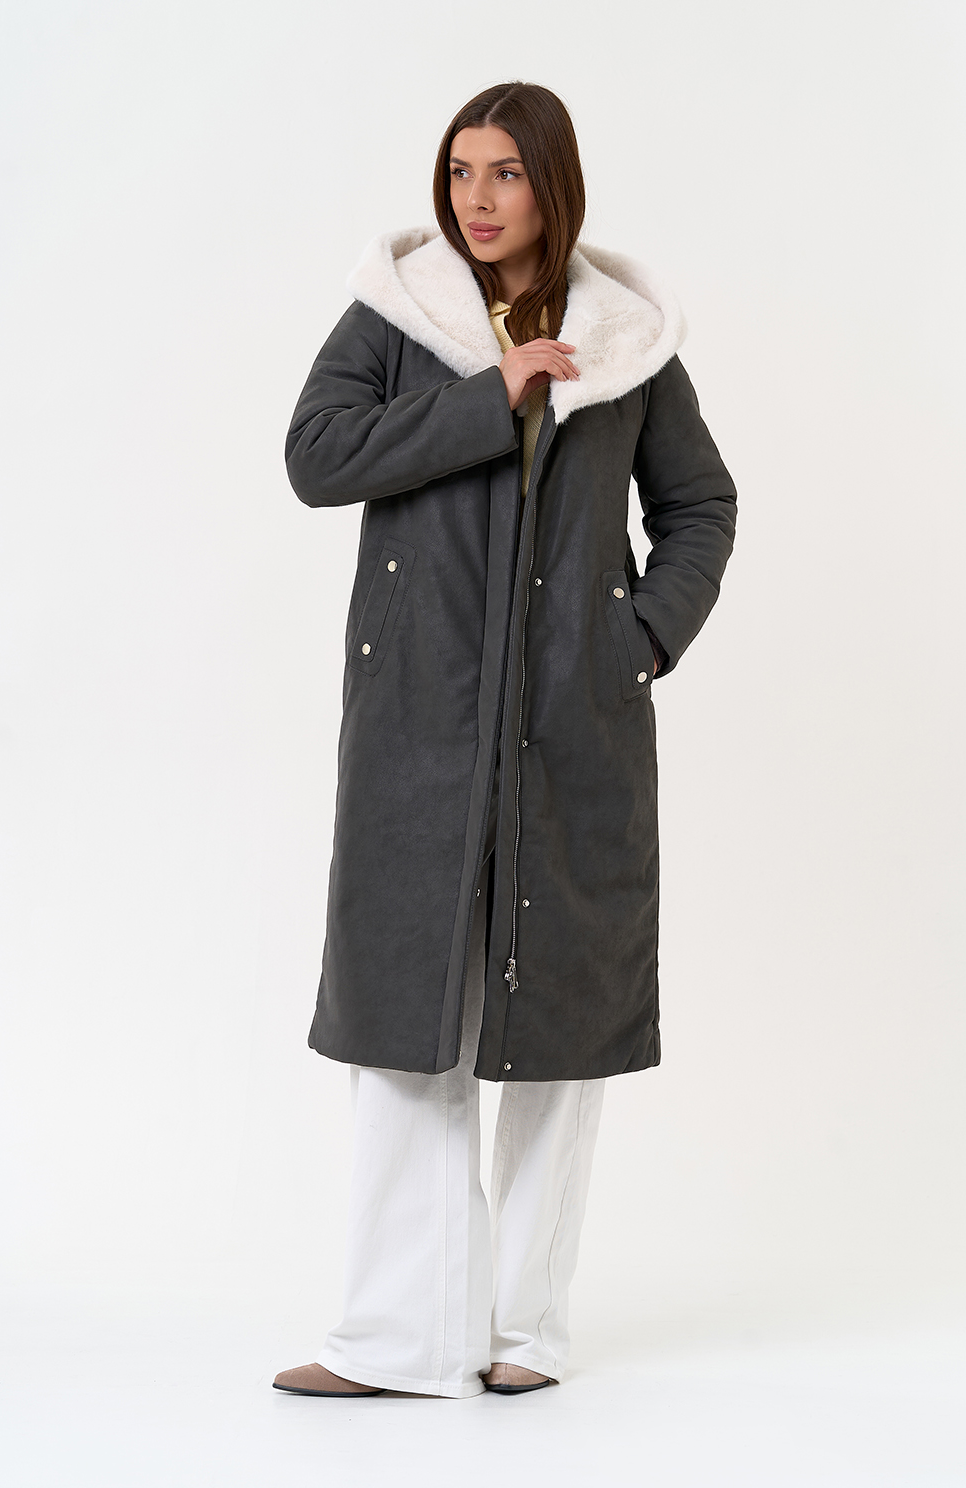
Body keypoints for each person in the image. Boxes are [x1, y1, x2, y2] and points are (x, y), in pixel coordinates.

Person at [274, 80, 737, 1400]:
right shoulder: (399, 313)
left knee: (555, 1026)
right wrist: (494, 395)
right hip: (419, 718)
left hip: (570, 726)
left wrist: (634, 642)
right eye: (460, 171)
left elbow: (701, 505)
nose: (475, 199)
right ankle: (396, 1338)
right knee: (406, 1018)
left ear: (552, 186)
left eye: (505, 174)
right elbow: (316, 456)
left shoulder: (625, 343)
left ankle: (521, 1334)